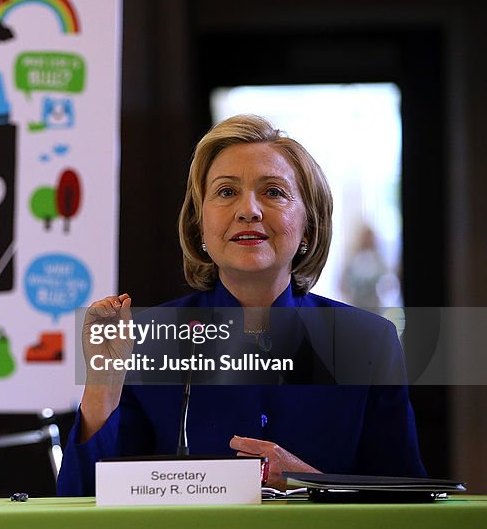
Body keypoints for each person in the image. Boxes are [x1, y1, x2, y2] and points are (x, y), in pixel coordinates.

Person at [57, 115, 425, 495]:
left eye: (274, 192)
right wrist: (101, 387)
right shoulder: (145, 340)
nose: (248, 209)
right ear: (200, 226)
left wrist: (308, 484)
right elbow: (82, 505)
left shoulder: (368, 341)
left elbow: (408, 504)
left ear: (308, 228)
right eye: (227, 192)